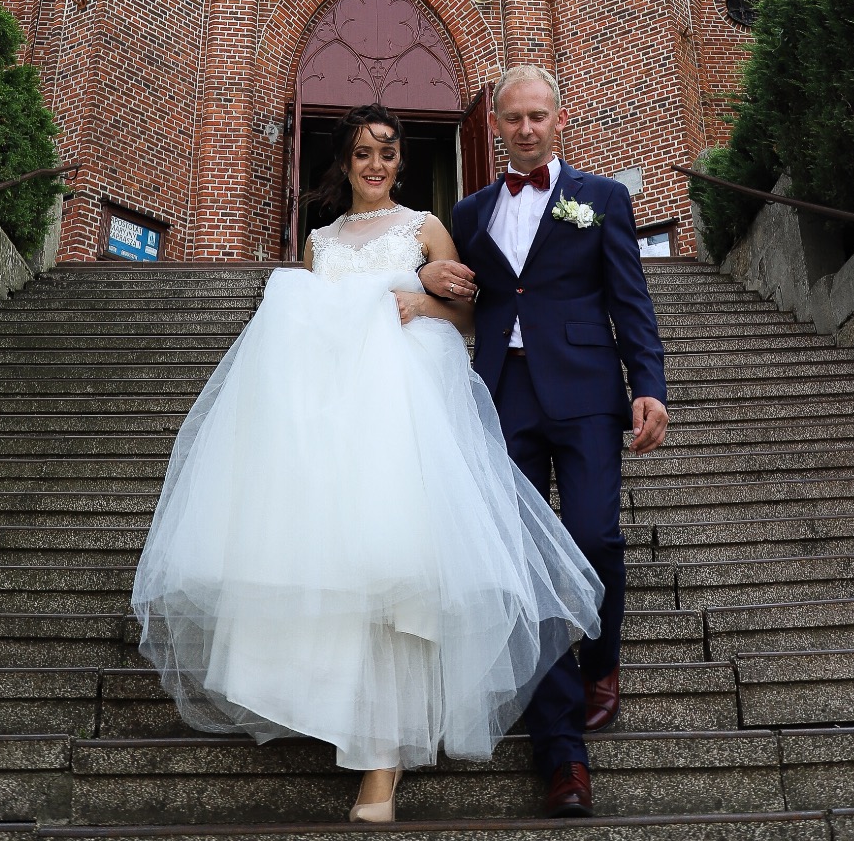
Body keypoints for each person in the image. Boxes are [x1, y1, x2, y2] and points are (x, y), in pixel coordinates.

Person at [132, 102, 603, 826]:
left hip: (404, 414)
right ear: (344, 164)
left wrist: (420, 300)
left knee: (398, 575)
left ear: (400, 162)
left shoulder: (426, 227)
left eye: (386, 152)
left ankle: (381, 771)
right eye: (361, 154)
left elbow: (473, 318)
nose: (375, 165)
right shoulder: (318, 243)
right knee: (332, 573)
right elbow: (300, 335)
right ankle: (333, 711)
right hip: (331, 418)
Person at [420, 65, 668, 819]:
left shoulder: (603, 199)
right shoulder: (468, 211)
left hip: (588, 391)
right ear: (494, 123)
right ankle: (560, 749)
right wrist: (431, 282)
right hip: (504, 395)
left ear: (561, 119)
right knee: (519, 562)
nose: (525, 128)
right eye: (513, 117)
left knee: (594, 536)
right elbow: (462, 293)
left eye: (538, 116)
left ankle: (602, 662)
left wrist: (648, 385)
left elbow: (631, 296)